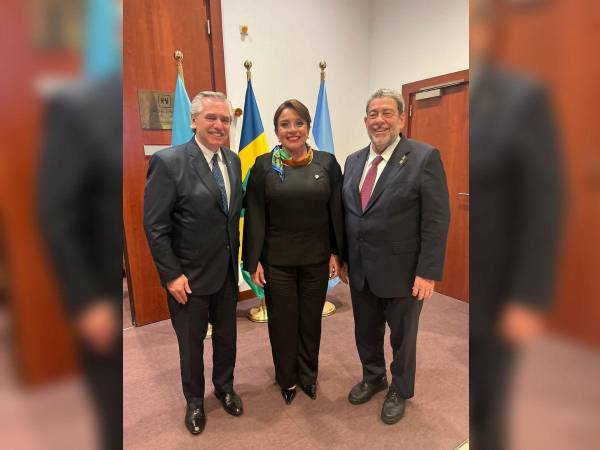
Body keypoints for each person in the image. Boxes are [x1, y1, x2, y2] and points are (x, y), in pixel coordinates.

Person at [339, 89, 450, 425]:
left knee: (402, 338)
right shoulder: (353, 161)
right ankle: (374, 377)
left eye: (387, 113)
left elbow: (435, 219)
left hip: (404, 272)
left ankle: (400, 389)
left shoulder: (423, 157)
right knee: (366, 331)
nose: (379, 120)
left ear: (402, 119)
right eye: (373, 113)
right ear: (365, 121)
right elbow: (350, 215)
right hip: (360, 269)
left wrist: (427, 272)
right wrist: (344, 258)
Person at [144, 91, 244, 435]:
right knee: (191, 344)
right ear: (194, 121)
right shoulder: (168, 162)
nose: (219, 125)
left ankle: (225, 388)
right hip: (188, 279)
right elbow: (156, 226)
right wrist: (171, 275)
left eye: (225, 120)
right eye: (212, 118)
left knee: (227, 338)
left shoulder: (232, 160)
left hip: (227, 273)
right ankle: (195, 401)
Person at [242, 99, 344, 405]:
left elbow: (335, 212)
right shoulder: (263, 165)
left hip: (315, 260)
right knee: (283, 324)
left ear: (308, 127)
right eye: (285, 124)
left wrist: (336, 253)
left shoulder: (327, 163)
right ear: (276, 131)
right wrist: (254, 260)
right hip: (277, 263)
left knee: (310, 322)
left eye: (299, 123)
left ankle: (308, 375)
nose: (293, 129)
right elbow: (255, 215)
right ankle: (286, 378)